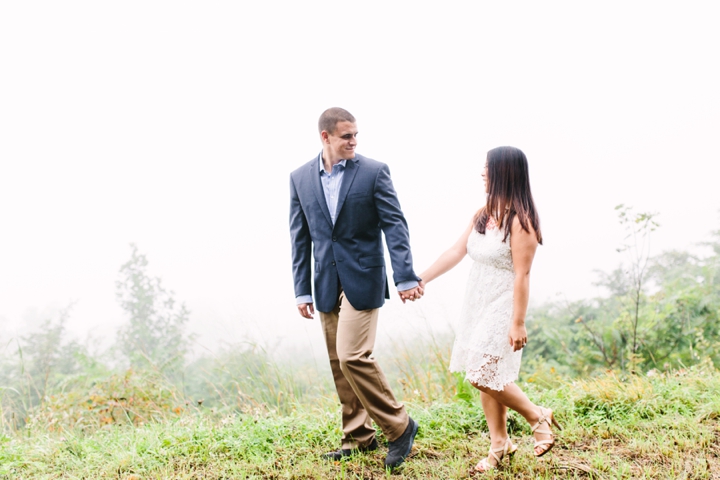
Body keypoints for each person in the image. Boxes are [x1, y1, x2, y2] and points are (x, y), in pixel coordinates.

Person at [289, 107, 423, 470]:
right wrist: (302, 289)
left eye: (356, 135)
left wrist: (405, 275)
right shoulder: (300, 177)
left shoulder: (374, 172)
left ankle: (399, 426)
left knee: (352, 355)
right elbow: (299, 238)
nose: (354, 142)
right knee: (338, 363)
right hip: (325, 283)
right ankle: (357, 436)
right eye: (347, 136)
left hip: (364, 277)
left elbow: (395, 225)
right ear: (326, 137)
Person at [418, 146, 561, 473]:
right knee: (487, 371)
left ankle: (537, 415)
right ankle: (499, 444)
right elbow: (456, 251)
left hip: (504, 303)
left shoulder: (521, 221)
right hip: (477, 302)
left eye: (488, 167)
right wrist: (421, 278)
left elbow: (523, 274)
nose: (482, 172)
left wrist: (518, 322)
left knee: (482, 372)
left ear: (504, 173)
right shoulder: (482, 214)